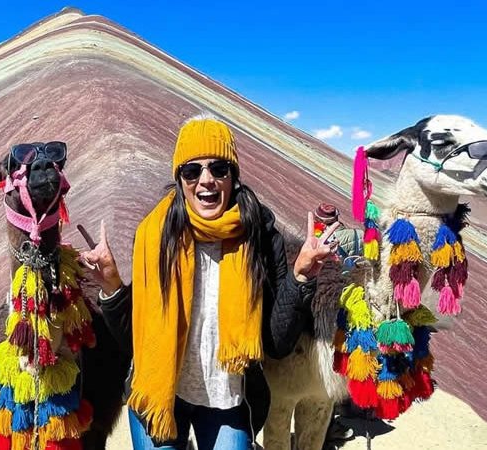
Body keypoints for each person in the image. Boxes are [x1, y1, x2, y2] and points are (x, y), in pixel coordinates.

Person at [76, 114, 338, 450]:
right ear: (180, 178)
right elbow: (135, 340)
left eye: (219, 168)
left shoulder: (257, 235)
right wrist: (112, 283)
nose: (206, 180)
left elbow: (275, 342)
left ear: (233, 176)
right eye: (192, 170)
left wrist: (299, 277)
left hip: (226, 400)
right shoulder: (155, 236)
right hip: (161, 393)